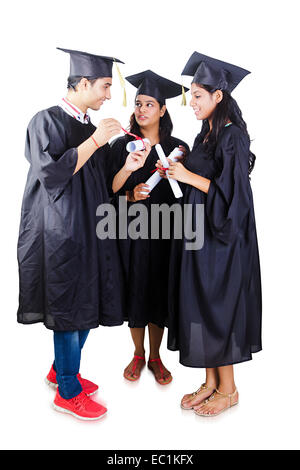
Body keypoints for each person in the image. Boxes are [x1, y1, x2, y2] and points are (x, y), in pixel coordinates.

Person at [17, 47, 125, 420]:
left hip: (91, 231)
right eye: (105, 86)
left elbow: (103, 183)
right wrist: (96, 141)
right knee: (68, 307)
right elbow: (52, 175)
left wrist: (128, 162)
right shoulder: (44, 121)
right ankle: (66, 389)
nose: (109, 95)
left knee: (87, 302)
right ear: (83, 83)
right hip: (59, 234)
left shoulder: (87, 127)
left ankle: (60, 368)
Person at [159, 52, 262, 416]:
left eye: (198, 95)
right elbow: (203, 177)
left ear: (218, 96)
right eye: (190, 95)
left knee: (218, 307)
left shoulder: (233, 136)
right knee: (199, 303)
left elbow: (234, 197)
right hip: (198, 236)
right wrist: (178, 167)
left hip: (222, 241)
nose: (191, 102)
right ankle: (210, 382)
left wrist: (187, 177)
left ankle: (229, 389)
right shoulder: (207, 133)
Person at [109, 70, 189, 385]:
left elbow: (188, 196)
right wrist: (131, 194)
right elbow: (108, 191)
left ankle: (155, 356)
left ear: (163, 110)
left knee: (158, 290)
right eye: (138, 104)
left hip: (166, 232)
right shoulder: (121, 147)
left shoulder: (178, 148)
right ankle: (138, 353)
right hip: (130, 232)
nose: (141, 110)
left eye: (149, 104)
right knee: (135, 290)